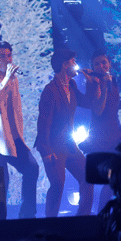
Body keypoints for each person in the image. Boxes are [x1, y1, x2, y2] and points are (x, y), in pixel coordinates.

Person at [0, 40, 39, 219]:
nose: (7, 59)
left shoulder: (13, 79)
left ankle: (27, 217)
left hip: (11, 137)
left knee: (32, 168)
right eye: (1, 56)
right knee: (0, 181)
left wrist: (19, 137)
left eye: (9, 55)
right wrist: (4, 82)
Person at [36, 49, 99, 218]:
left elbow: (87, 103)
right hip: (53, 145)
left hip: (69, 145)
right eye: (72, 61)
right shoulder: (50, 91)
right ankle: (50, 223)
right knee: (57, 184)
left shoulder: (71, 85)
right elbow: (43, 123)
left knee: (88, 176)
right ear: (65, 65)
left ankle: (82, 217)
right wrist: (45, 151)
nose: (75, 65)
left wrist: (92, 83)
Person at [82, 50, 121, 210]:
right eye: (97, 64)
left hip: (116, 132)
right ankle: (100, 214)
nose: (101, 66)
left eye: (104, 63)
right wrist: (105, 85)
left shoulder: (112, 79)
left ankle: (111, 211)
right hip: (101, 137)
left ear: (109, 64)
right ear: (92, 66)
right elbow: (99, 110)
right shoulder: (93, 82)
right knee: (109, 178)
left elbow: (113, 105)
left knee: (117, 177)